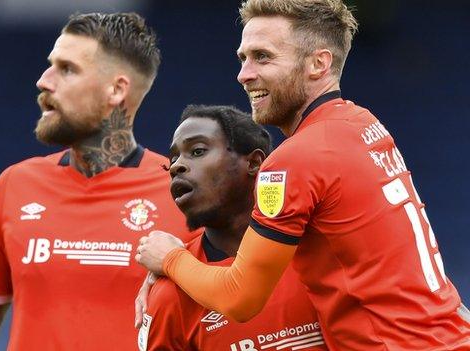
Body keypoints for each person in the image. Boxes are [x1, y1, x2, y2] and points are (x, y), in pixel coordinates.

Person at [135, 1, 470, 350]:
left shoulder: (294, 160)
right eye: (243, 58)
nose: (244, 74)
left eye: (263, 57)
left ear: (318, 64)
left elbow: (239, 298)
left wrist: (170, 258)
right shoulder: (364, 125)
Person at [0, 12, 196, 350]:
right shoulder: (15, 184)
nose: (44, 81)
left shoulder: (184, 194)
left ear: (116, 90)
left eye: (67, 69)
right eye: (51, 65)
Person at [137, 104, 328, 351]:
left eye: (197, 151)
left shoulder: (322, 251)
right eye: (173, 159)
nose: (176, 166)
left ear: (254, 162)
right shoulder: (171, 293)